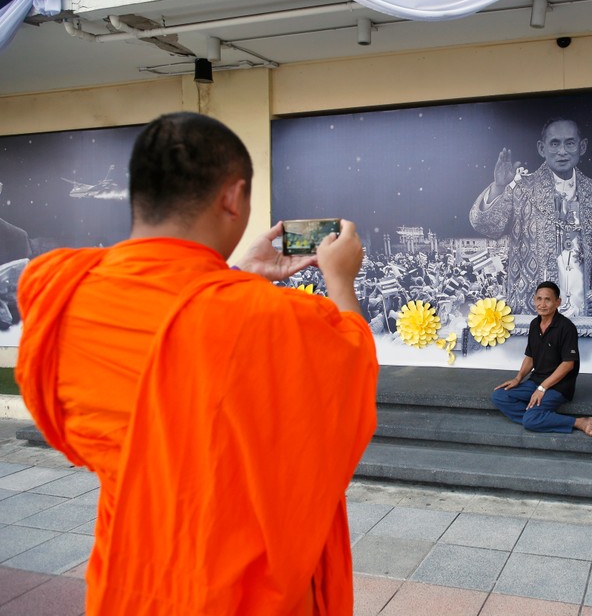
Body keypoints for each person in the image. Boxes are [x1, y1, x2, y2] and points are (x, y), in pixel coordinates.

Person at [15, 112, 378, 615]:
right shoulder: (264, 315)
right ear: (233, 196)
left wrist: (233, 274)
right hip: (234, 588)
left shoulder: (63, 290)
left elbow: (176, 318)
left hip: (131, 577)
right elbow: (349, 373)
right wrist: (341, 281)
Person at [469, 118, 592, 317]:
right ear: (541, 148)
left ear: (582, 147)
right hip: (532, 313)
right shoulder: (521, 189)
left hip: (587, 314)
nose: (562, 151)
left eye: (569, 143)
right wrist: (499, 187)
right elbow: (487, 225)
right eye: (554, 143)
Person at [491, 281, 592, 436]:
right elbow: (530, 356)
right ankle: (536, 416)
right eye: (539, 299)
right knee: (499, 395)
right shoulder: (534, 324)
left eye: (547, 299)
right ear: (534, 300)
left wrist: (542, 388)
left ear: (557, 302)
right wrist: (518, 378)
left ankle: (578, 422)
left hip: (558, 387)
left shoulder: (567, 328)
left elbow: (568, 365)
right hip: (535, 381)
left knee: (530, 421)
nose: (542, 304)